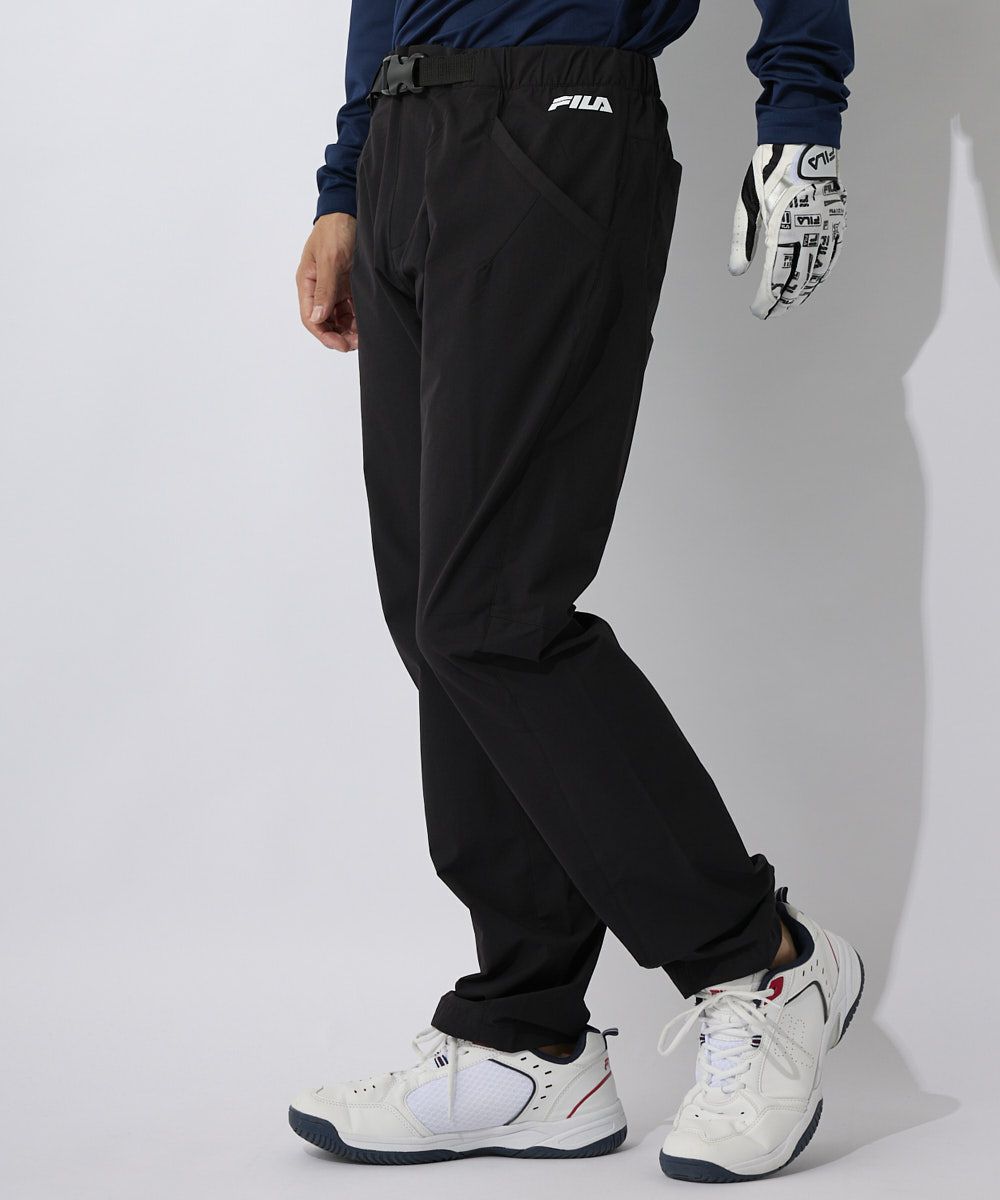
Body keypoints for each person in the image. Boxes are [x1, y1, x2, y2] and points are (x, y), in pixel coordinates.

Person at [290, 0, 861, 1182]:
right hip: (406, 131)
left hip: (554, 120)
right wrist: (348, 177)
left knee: (490, 615)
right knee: (437, 622)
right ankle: (528, 1039)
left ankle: (758, 958)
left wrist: (801, 111)